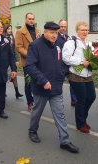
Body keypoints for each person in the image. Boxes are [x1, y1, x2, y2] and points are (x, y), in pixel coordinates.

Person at [25, 22, 79, 153]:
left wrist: (62, 75)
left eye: (56, 33)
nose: (54, 35)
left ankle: (64, 141)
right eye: (51, 33)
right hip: (41, 87)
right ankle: (32, 130)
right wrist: (43, 81)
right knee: (37, 111)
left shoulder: (58, 46)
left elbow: (61, 63)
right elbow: (30, 66)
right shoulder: (35, 45)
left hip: (56, 86)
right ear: (45, 32)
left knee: (60, 114)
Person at [62, 21, 96, 133]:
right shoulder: (71, 43)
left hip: (87, 74)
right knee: (81, 99)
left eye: (86, 30)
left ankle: (83, 117)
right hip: (75, 74)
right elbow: (66, 58)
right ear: (77, 31)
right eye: (82, 30)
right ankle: (80, 123)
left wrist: (95, 61)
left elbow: (92, 57)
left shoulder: (89, 44)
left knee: (91, 97)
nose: (85, 32)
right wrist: (81, 61)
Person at [15, 13, 41, 110]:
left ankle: (37, 100)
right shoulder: (20, 32)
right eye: (29, 19)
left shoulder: (37, 31)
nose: (31, 20)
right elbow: (18, 47)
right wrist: (30, 55)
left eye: (33, 19)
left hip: (38, 61)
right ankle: (30, 102)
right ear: (25, 19)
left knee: (38, 81)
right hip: (27, 61)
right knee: (29, 82)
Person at [57, 19, 78, 106]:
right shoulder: (55, 37)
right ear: (59, 26)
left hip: (68, 64)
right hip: (59, 64)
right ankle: (59, 101)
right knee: (59, 83)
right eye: (61, 26)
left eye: (65, 26)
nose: (63, 28)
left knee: (72, 82)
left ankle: (74, 99)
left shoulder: (68, 37)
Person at [3, 24, 24, 99]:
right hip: (5, 60)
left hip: (12, 59)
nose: (10, 30)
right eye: (8, 29)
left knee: (14, 75)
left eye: (11, 29)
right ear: (5, 30)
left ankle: (17, 92)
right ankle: (3, 92)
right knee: (5, 75)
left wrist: (16, 59)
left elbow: (14, 50)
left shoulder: (12, 38)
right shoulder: (3, 38)